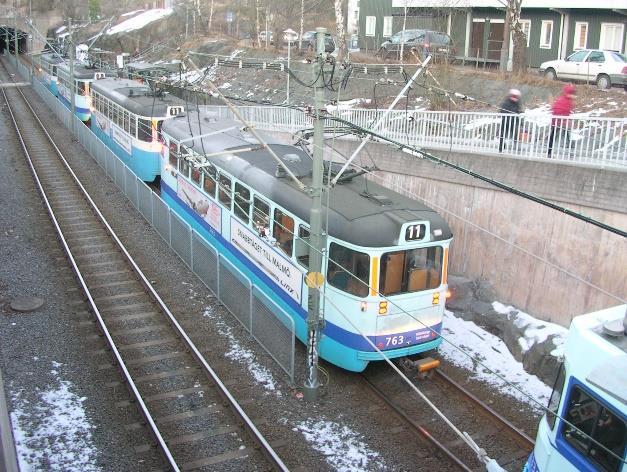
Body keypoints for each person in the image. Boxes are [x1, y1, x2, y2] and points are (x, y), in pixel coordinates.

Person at [548, 84, 576, 158]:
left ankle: (549, 152)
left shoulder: (562, 99)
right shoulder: (566, 101)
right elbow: (564, 110)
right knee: (564, 135)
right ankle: (569, 151)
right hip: (560, 121)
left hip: (558, 121)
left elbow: (556, 108)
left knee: (555, 136)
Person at [499, 89, 522, 153]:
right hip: (506, 121)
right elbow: (502, 111)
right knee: (503, 134)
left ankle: (516, 146)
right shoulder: (506, 103)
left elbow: (517, 111)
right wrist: (510, 114)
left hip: (513, 122)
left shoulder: (517, 103)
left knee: (514, 134)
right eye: (514, 96)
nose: (516, 98)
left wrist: (518, 117)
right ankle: (501, 147)